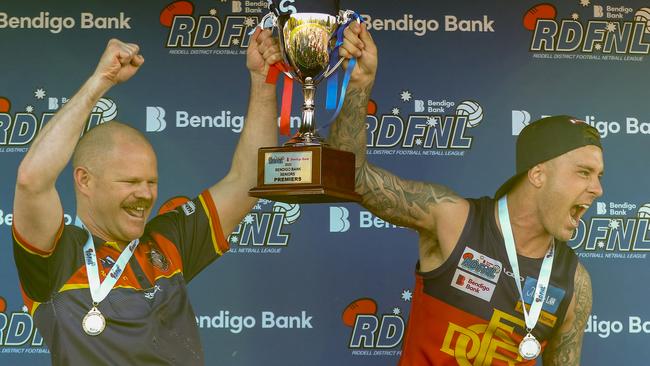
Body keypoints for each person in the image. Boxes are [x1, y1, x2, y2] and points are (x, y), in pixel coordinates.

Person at [330, 22, 602, 365]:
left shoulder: (575, 282)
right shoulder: (454, 219)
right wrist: (358, 85)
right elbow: (350, 178)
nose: (597, 188)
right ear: (537, 174)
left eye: (598, 175)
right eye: (583, 173)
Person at [12, 30, 280, 365]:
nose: (145, 194)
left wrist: (263, 79)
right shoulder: (55, 258)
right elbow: (32, 180)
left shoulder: (170, 240)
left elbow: (249, 179)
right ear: (84, 180)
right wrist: (100, 82)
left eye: (151, 181)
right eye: (130, 181)